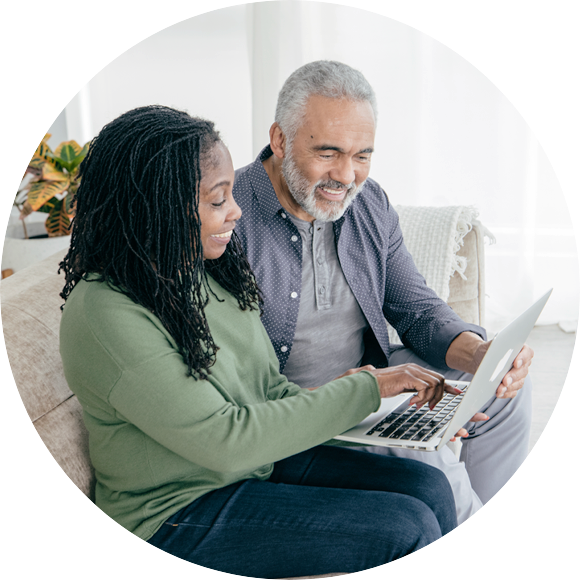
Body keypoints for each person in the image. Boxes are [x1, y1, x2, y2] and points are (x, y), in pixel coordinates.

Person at [58, 105, 459, 578]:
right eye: (216, 200)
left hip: (252, 468)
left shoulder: (206, 272)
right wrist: (365, 389)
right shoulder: (107, 311)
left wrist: (379, 405)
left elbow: (267, 390)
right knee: (403, 526)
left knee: (428, 485)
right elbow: (226, 441)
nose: (236, 211)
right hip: (171, 514)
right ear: (157, 204)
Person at [233, 60, 534, 524]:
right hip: (303, 408)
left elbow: (415, 307)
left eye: (362, 155)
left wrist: (479, 356)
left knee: (505, 389)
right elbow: (231, 382)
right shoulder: (227, 216)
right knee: (427, 454)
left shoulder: (369, 203)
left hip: (379, 377)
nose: (347, 175)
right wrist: (352, 393)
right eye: (328, 152)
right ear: (280, 140)